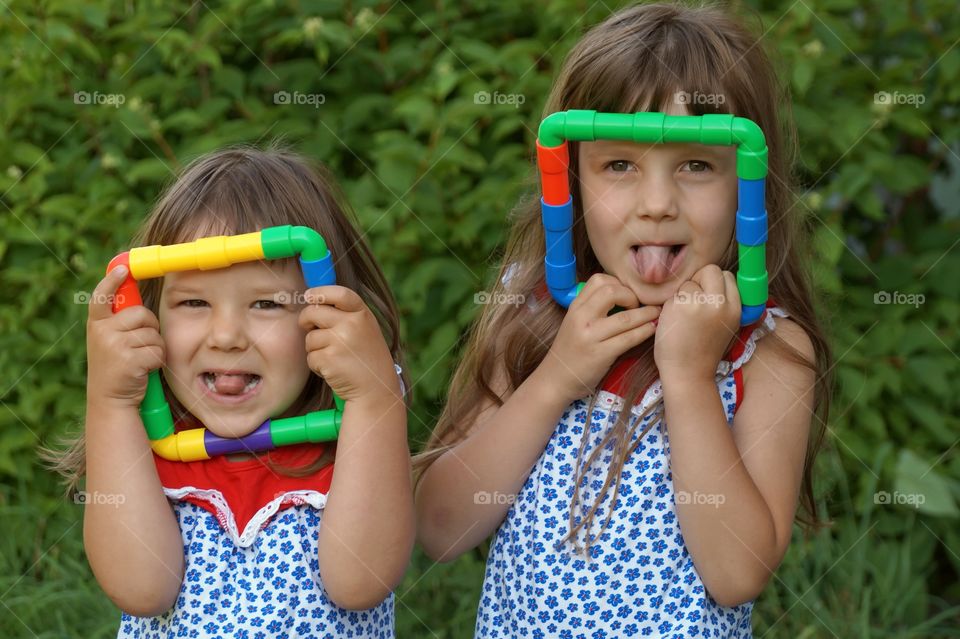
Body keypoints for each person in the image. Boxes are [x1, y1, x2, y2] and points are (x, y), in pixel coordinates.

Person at [413, 3, 834, 637]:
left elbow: (737, 573)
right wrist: (555, 380)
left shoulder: (768, 350)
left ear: (750, 180)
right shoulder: (534, 315)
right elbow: (441, 529)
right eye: (619, 166)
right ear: (571, 180)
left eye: (696, 164)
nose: (657, 204)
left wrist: (689, 379)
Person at [48, 146, 414, 638]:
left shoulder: (358, 430)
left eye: (265, 303)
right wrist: (110, 405)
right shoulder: (143, 441)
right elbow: (141, 589)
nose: (225, 336)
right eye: (194, 301)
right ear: (151, 317)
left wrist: (374, 401)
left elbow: (359, 581)